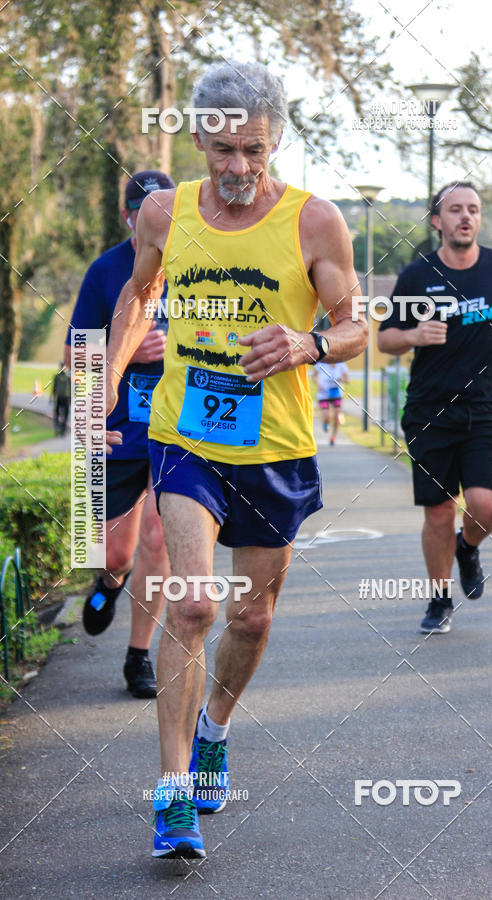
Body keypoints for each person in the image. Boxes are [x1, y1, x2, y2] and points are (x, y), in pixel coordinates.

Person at [105, 61, 368, 859]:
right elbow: (137, 297)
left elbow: (357, 325)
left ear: (277, 141)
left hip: (276, 449)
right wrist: (100, 391)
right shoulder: (162, 212)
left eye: (255, 151)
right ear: (197, 139)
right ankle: (172, 792)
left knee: (251, 618)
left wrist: (308, 342)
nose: (239, 169)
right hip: (186, 437)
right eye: (224, 151)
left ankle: (215, 729)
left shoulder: (314, 223)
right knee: (194, 607)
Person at [377, 182, 492, 635]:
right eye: (455, 210)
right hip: (429, 410)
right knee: (439, 511)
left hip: (486, 407)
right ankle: (440, 599)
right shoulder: (416, 274)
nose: (466, 217)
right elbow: (386, 338)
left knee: (487, 506)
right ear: (436, 221)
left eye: (473, 210)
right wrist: (413, 336)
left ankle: (468, 547)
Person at [64, 170, 175, 697]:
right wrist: (126, 350)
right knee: (116, 555)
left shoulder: (196, 266)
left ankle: (139, 657)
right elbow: (73, 356)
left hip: (179, 429)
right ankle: (109, 582)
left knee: (160, 536)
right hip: (119, 429)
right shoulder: (105, 271)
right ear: (128, 215)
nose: (152, 217)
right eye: (141, 208)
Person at [312, 360, 349, 445]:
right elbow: (314, 376)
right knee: (326, 417)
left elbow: (348, 379)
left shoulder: (341, 364)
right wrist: (318, 384)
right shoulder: (321, 363)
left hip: (336, 394)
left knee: (337, 417)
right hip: (324, 394)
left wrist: (341, 379)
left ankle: (333, 437)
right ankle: (325, 422)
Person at [52, 363, 71, 435]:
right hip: (66, 398)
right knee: (66, 414)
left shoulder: (56, 376)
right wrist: (71, 400)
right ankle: (63, 430)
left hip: (58, 397)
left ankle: (57, 427)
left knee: (57, 413)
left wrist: (52, 398)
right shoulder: (68, 377)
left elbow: (54, 388)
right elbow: (71, 390)